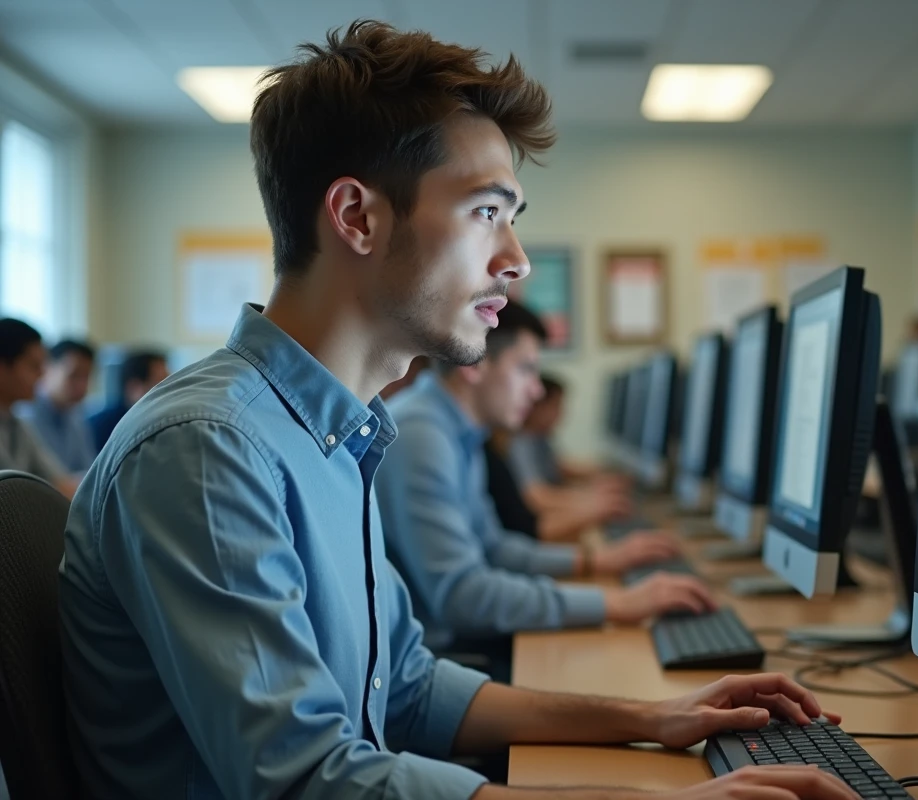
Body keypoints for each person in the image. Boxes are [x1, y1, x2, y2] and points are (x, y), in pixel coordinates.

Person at [57, 22, 853, 800]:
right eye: (485, 213)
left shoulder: (337, 436)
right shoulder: (208, 450)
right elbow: (305, 780)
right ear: (357, 217)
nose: (515, 260)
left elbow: (406, 688)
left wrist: (654, 716)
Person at [379, 300, 704, 670]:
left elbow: (495, 548)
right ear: (475, 364)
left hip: (457, 646)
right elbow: (462, 596)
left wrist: (595, 563)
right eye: (526, 369)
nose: (536, 391)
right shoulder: (422, 435)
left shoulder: (459, 432)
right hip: (438, 660)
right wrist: (615, 603)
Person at [507, 374, 631, 520]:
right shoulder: (520, 443)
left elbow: (559, 467)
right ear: (537, 407)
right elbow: (537, 497)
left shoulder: (539, 439)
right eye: (557, 405)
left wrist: (600, 477)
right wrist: (592, 501)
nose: (562, 413)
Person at [0, 318, 78, 497]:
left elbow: (60, 481)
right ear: (2, 367)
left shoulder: (18, 424)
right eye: (34, 366)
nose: (43, 374)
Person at [15, 338, 97, 474]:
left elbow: (89, 471)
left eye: (86, 377)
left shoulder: (75, 416)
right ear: (47, 368)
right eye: (74, 375)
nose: (82, 386)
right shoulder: (24, 414)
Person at [87, 348, 168, 451]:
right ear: (134, 387)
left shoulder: (161, 423)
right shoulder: (98, 428)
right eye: (161, 384)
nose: (170, 391)